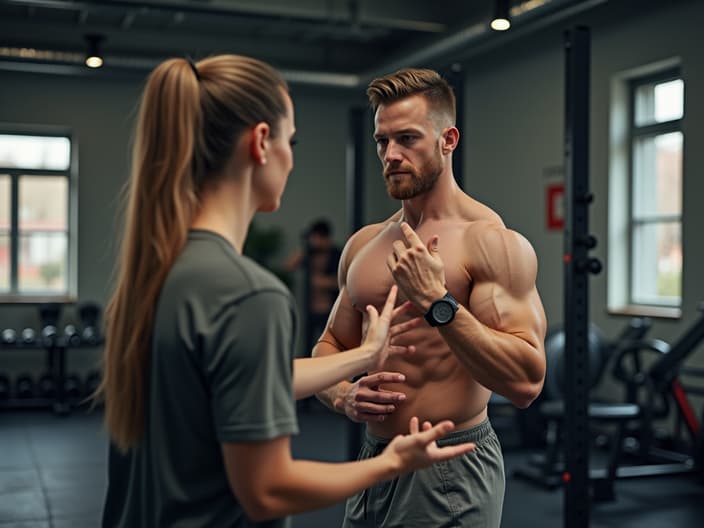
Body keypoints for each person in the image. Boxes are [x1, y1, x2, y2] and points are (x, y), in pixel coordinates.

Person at [96, 55, 477, 528]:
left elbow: (241, 381)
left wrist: (363, 356)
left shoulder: (154, 275)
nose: (291, 158)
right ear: (260, 143)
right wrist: (392, 464)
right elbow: (268, 490)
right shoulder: (250, 295)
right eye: (290, 141)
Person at [313, 68, 548, 527]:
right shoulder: (363, 245)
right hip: (374, 459)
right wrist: (342, 395)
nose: (391, 155)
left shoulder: (491, 242)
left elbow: (526, 383)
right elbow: (327, 348)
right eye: (382, 142)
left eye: (407, 139)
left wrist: (437, 301)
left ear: (448, 139)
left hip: (449, 466)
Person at [283, 218, 342, 352]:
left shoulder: (337, 254)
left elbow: (343, 282)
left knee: (328, 345)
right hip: (310, 309)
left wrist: (323, 282)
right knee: (308, 346)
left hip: (331, 310)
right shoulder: (309, 254)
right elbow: (288, 266)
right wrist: (303, 250)